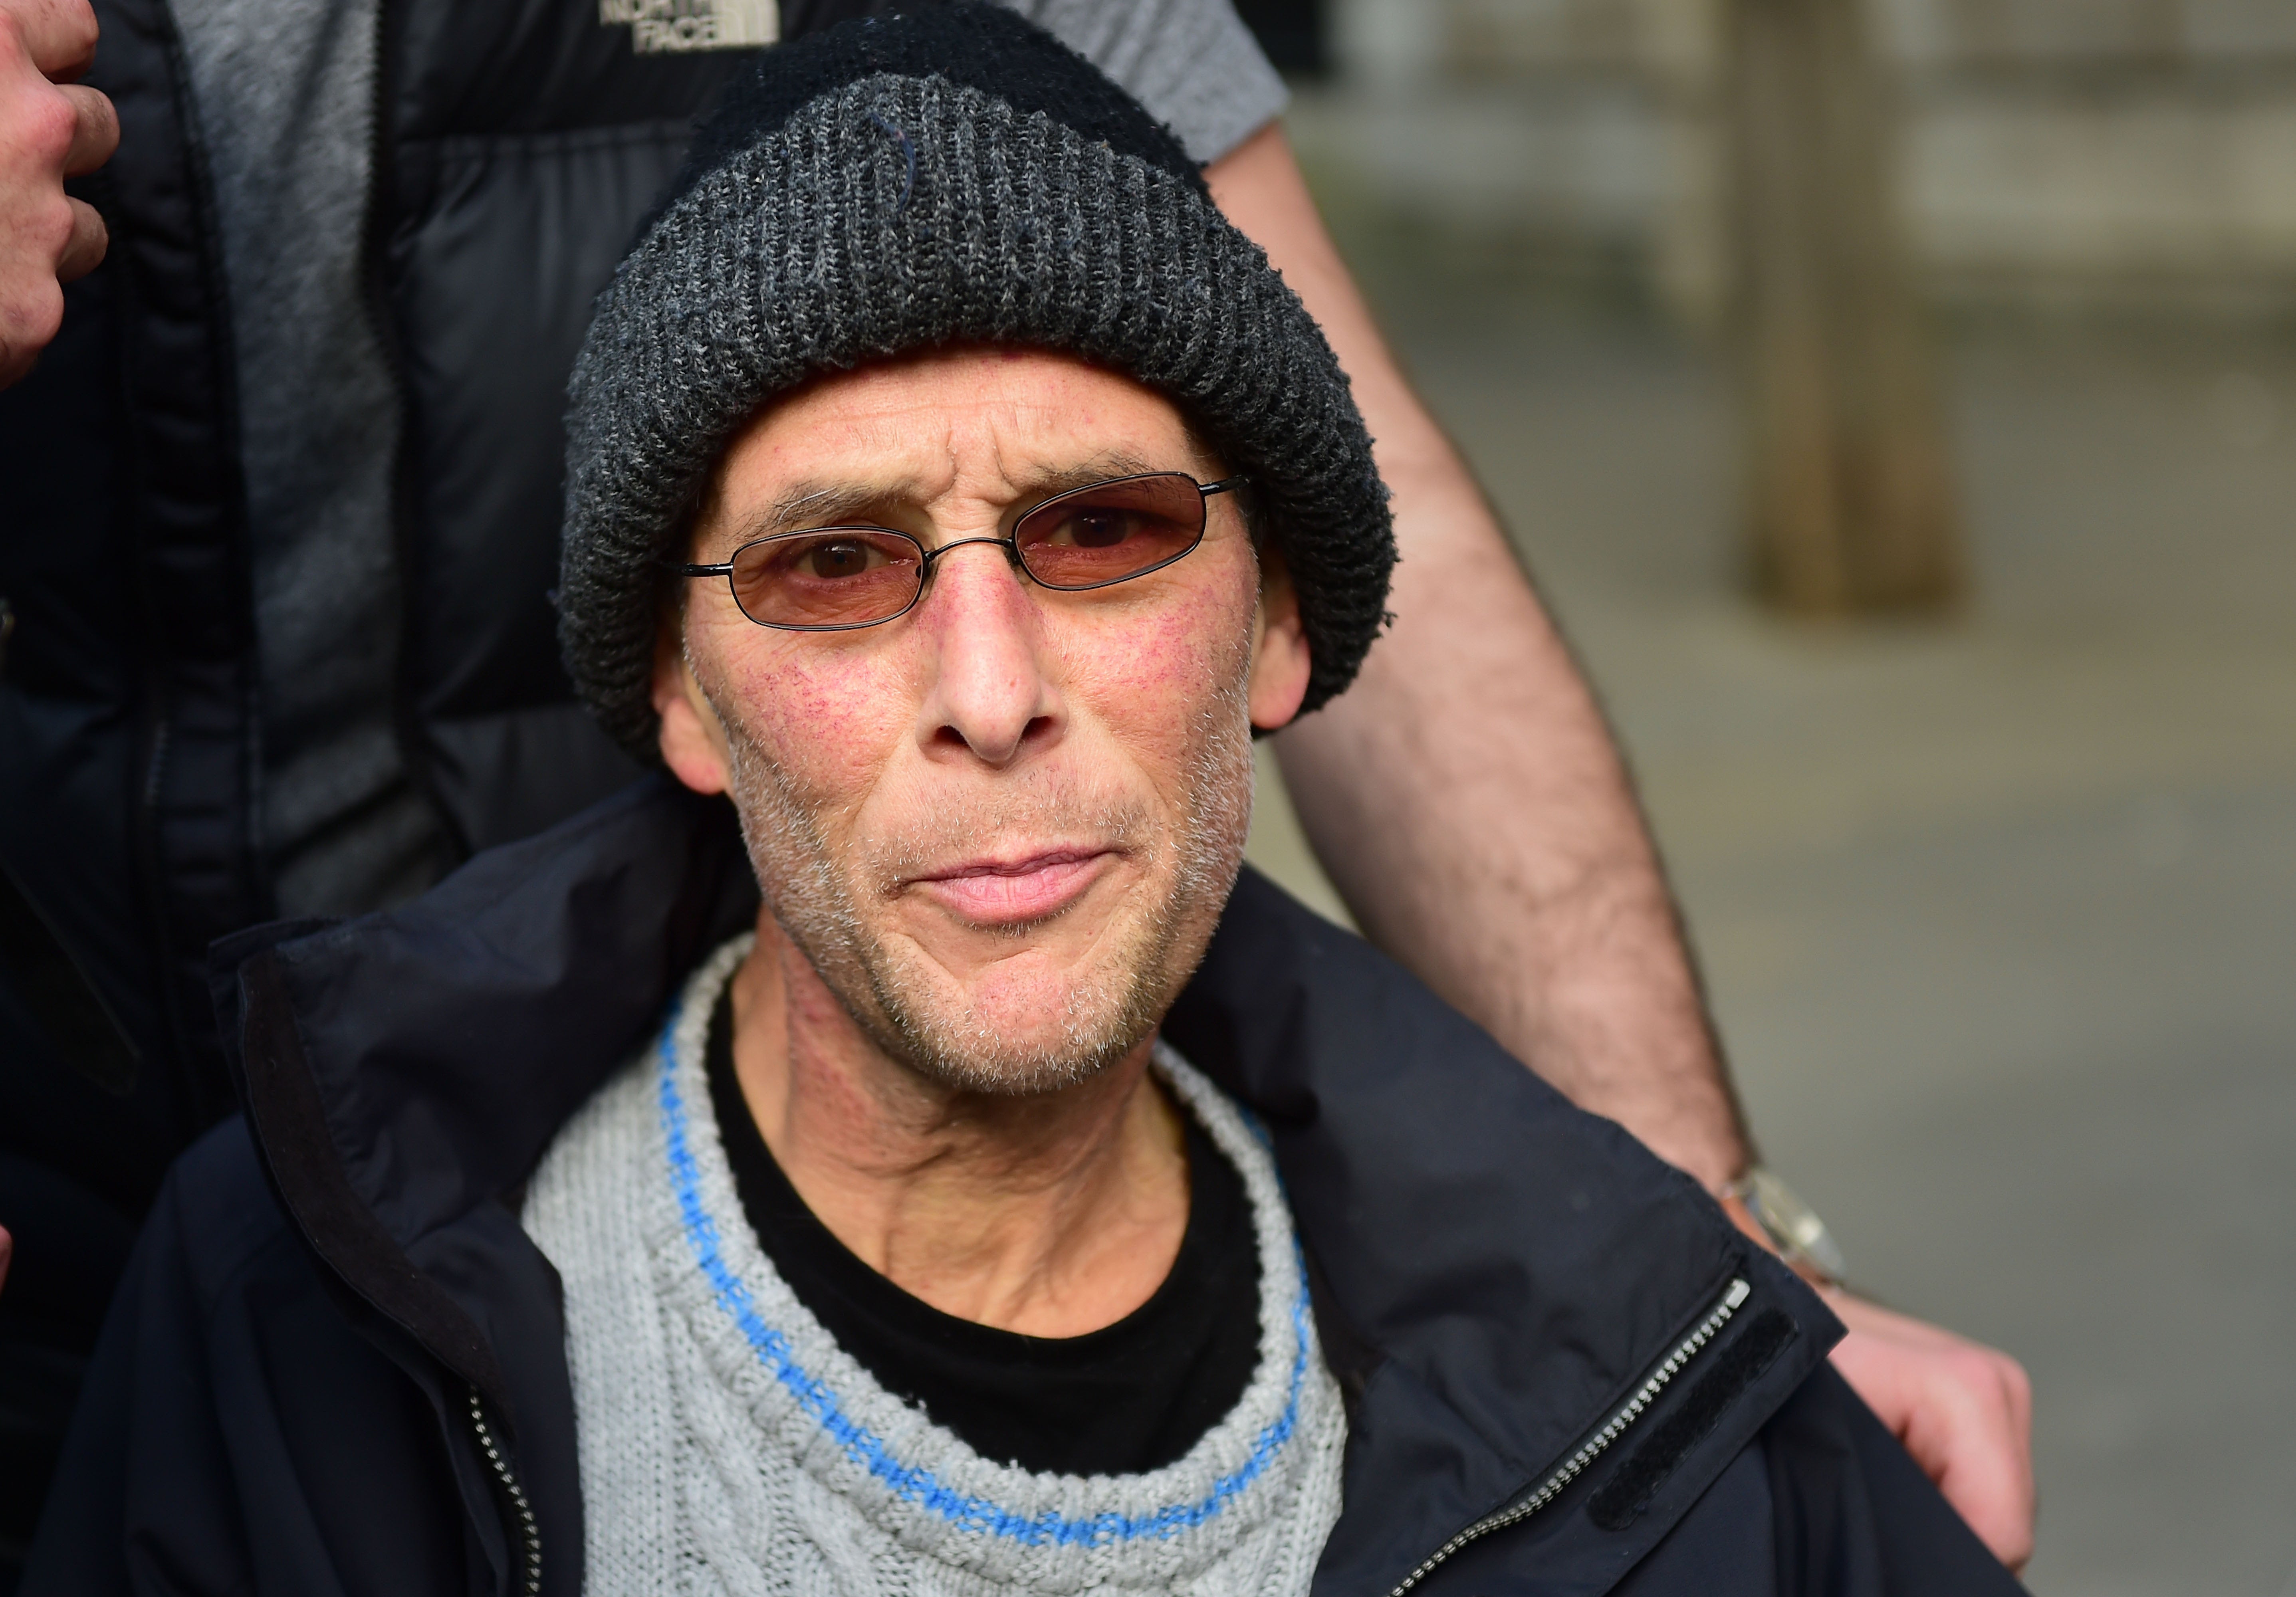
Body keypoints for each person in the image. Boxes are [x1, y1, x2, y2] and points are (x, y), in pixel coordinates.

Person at [0, 0, 2031, 1569]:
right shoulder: (262, 1310)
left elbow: (1334, 442)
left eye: (1100, 538)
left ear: (1281, 628)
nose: (990, 687)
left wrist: (1716, 1308)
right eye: (835, 561)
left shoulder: (1668, 1452)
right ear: (679, 681)